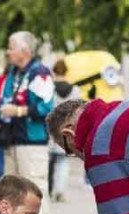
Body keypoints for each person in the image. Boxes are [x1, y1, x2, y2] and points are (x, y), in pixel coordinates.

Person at [0, 31, 54, 214]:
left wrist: (18, 110)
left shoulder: (40, 73)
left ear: (25, 51)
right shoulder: (13, 73)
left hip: (32, 141)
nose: (8, 51)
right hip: (12, 138)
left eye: (11, 47)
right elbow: (2, 101)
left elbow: (46, 108)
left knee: (35, 188)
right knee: (12, 190)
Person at [48, 59, 80, 202]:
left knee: (48, 161)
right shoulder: (75, 90)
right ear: (66, 72)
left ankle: (48, 190)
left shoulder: (49, 88)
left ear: (54, 71)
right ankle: (60, 191)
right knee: (63, 161)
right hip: (67, 129)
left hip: (50, 128)